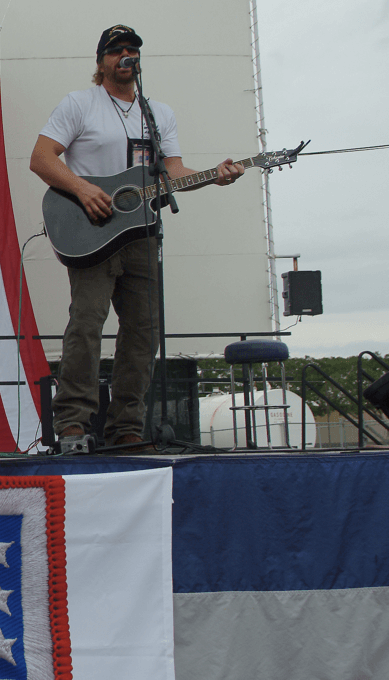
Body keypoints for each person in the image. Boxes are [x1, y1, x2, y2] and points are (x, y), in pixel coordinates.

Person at [29, 24, 244, 449]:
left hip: (142, 233)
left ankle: (126, 427)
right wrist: (83, 188)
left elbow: (174, 172)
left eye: (132, 50)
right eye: (116, 50)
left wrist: (213, 177)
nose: (125, 56)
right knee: (87, 324)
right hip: (91, 231)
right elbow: (40, 157)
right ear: (101, 62)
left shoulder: (157, 113)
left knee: (144, 330)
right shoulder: (80, 104)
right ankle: (73, 424)